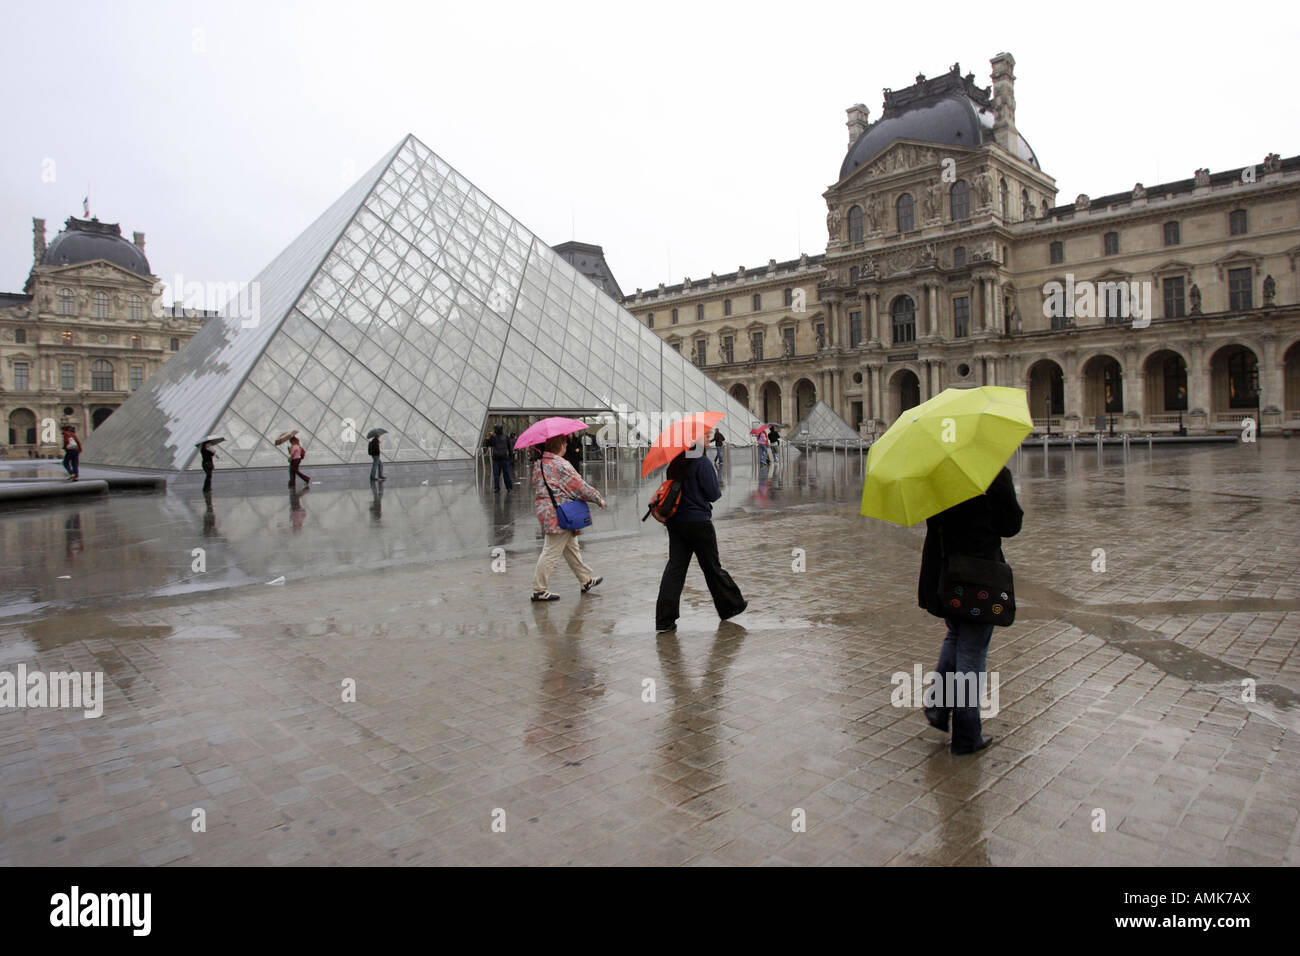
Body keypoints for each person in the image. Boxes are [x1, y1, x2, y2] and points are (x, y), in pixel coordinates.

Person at [917, 466, 1022, 755]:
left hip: (945, 571)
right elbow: (1010, 525)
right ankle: (966, 735)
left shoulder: (936, 472)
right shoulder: (992, 471)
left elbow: (933, 520)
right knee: (972, 650)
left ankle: (939, 705)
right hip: (980, 575)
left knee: (955, 636)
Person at [655, 443, 747, 632]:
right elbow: (713, 494)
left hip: (676, 523)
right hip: (698, 523)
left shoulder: (675, 463)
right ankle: (731, 606)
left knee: (675, 570)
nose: (708, 439)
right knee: (712, 567)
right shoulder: (702, 462)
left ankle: (664, 620)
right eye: (704, 436)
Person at [531, 434, 605, 602]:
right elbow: (579, 486)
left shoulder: (540, 464)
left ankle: (585, 580)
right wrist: (598, 498)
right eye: (564, 443)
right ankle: (538, 589)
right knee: (551, 551)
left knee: (572, 547)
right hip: (561, 513)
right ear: (561, 446)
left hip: (547, 511)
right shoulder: (560, 464)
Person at [485, 425, 513, 492]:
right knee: (501, 474)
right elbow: (489, 444)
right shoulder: (498, 437)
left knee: (500, 474)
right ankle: (505, 487)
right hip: (500, 458)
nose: (495, 430)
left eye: (495, 429)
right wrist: (489, 437)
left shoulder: (503, 437)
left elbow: (509, 448)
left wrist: (510, 457)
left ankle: (503, 487)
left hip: (500, 458)